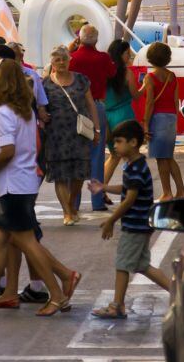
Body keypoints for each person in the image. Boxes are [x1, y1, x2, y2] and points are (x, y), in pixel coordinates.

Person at [0, 58, 80, 317]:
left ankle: (59, 292)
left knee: (26, 241)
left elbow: (7, 151)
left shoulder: (2, 113)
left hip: (11, 185)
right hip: (21, 183)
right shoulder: (25, 111)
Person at [89, 119, 171, 319]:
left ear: (133, 143)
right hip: (141, 224)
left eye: (118, 142)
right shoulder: (134, 165)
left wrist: (111, 220)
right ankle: (180, 292)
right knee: (142, 265)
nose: (115, 146)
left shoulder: (135, 168)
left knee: (123, 264)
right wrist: (104, 187)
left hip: (135, 225)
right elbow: (127, 189)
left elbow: (129, 199)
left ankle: (117, 305)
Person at [43, 45, 101, 224]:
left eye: (64, 59)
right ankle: (67, 212)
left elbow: (90, 104)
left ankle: (71, 204)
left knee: (78, 174)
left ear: (69, 61)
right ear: (52, 62)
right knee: (60, 174)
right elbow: (40, 107)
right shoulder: (44, 83)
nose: (61, 63)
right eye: (57, 60)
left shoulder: (82, 80)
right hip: (55, 135)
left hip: (79, 133)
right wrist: (41, 114)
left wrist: (96, 129)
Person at [69, 24, 117, 213]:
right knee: (97, 154)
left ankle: (74, 202)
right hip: (97, 106)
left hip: (75, 108)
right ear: (96, 40)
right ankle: (97, 201)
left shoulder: (72, 58)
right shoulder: (103, 58)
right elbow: (112, 74)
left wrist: (70, 48)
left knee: (78, 154)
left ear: (79, 39)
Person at [140, 42, 184, 201]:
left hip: (157, 119)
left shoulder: (150, 77)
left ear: (150, 58)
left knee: (161, 158)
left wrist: (145, 123)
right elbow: (175, 100)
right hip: (171, 118)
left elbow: (150, 103)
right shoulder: (172, 76)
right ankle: (181, 190)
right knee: (169, 156)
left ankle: (167, 192)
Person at [103, 39, 141, 189]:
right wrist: (145, 86)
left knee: (113, 155)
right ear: (120, 54)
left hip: (108, 117)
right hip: (124, 116)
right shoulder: (127, 73)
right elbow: (135, 95)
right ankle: (131, 188)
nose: (129, 56)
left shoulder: (104, 72)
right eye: (127, 53)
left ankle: (101, 188)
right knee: (129, 156)